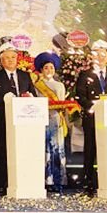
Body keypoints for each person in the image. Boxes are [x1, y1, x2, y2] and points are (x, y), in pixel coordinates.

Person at [0, 43, 34, 196]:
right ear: (1, 60)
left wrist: (29, 97)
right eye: (7, 58)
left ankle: (23, 182)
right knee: (4, 152)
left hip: (24, 121)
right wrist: (6, 100)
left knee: (23, 151)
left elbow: (33, 94)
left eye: (13, 57)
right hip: (4, 119)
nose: (10, 60)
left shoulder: (25, 76)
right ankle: (3, 185)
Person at [74, 39, 107, 196]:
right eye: (97, 54)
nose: (100, 57)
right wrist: (94, 107)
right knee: (90, 149)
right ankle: (89, 183)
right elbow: (80, 96)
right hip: (92, 119)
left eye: (103, 54)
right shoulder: (85, 75)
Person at [32, 51, 69, 195]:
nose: (49, 70)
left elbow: (62, 103)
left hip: (56, 118)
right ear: (41, 69)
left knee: (57, 147)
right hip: (42, 119)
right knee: (44, 147)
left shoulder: (59, 85)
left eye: (51, 68)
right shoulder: (37, 85)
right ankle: (45, 180)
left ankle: (58, 180)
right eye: (46, 67)